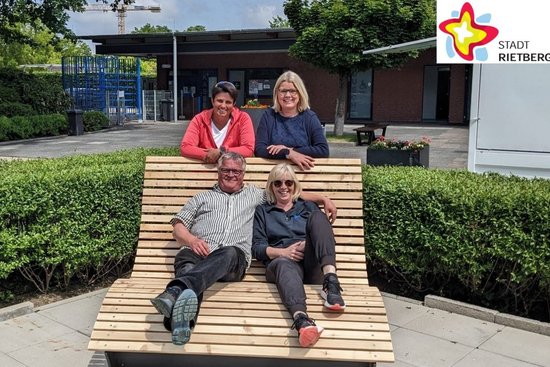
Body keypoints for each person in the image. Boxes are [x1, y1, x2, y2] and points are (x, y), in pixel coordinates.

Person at [150, 152, 337, 346]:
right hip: (198, 252)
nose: (231, 174)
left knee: (229, 252)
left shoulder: (255, 195)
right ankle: (181, 324)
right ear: (218, 171)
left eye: (236, 171)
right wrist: (191, 240)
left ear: (243, 174)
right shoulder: (201, 198)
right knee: (189, 268)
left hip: (232, 259)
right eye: (226, 170)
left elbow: (287, 191)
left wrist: (323, 199)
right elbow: (178, 226)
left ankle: (175, 291)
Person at [252, 163, 346, 348]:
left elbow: (321, 232)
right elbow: (257, 247)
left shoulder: (307, 207)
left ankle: (331, 283)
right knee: (283, 263)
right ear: (271, 186)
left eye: (289, 182)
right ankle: (302, 321)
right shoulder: (263, 211)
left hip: (311, 263)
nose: (284, 187)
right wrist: (283, 252)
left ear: (295, 185)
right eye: (278, 183)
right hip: (281, 263)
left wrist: (307, 242)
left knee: (319, 218)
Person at [254, 71, 329, 170]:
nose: (288, 95)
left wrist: (292, 150)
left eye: (293, 91)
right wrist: (287, 153)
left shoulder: (309, 117)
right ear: (277, 93)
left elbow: (323, 150)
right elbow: (260, 149)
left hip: (303, 176)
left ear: (300, 93)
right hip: (274, 176)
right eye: (283, 91)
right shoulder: (269, 116)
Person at [180, 81, 255, 162]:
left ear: (234, 104)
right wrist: (207, 155)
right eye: (219, 101)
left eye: (228, 102)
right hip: (204, 171)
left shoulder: (243, 118)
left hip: (231, 172)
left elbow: (248, 149)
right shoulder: (199, 119)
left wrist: (221, 152)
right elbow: (186, 147)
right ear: (212, 101)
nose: (223, 106)